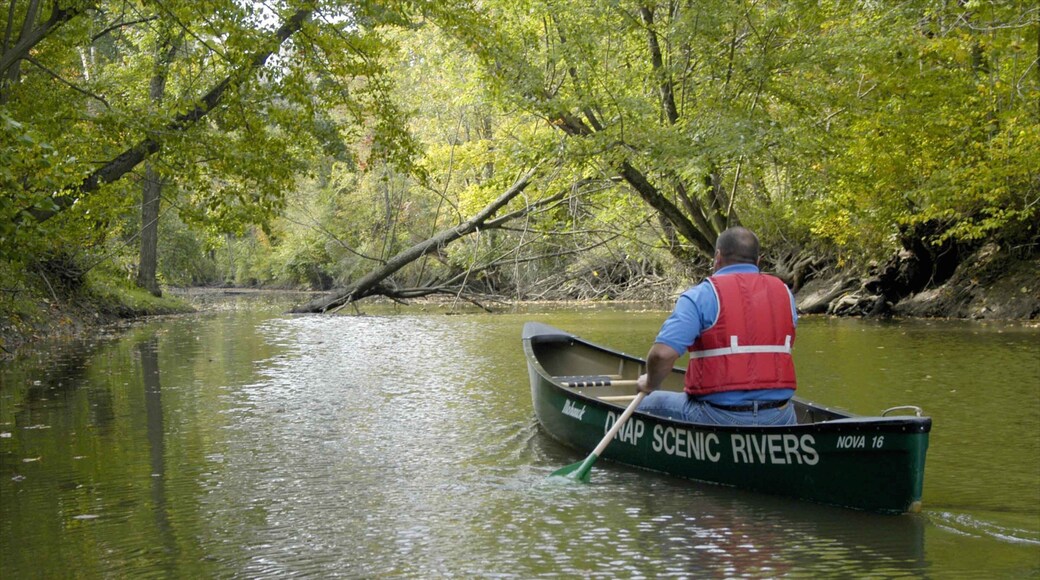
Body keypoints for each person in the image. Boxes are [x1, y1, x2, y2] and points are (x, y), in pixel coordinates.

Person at [636, 227, 798, 426]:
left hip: (718, 416)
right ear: (758, 260)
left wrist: (651, 383)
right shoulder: (785, 293)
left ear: (718, 257)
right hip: (781, 416)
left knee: (648, 401)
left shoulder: (701, 295)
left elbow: (662, 355)